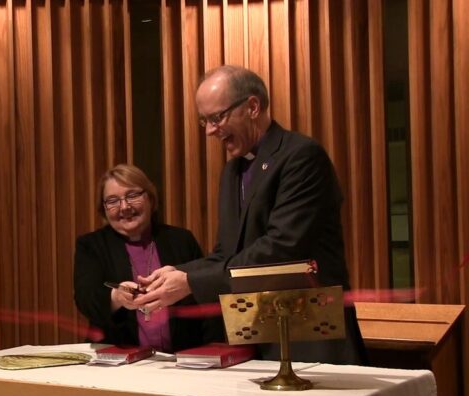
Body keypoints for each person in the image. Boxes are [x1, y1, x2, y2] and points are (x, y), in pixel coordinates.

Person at [135, 65, 366, 365]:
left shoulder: (302, 156)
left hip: (311, 337)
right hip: (256, 335)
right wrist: (171, 276)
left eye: (217, 118)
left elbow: (281, 249)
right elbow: (227, 254)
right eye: (203, 121)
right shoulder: (233, 171)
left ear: (253, 106)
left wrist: (192, 280)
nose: (209, 131)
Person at [74, 164, 222, 353]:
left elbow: (205, 299)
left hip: (181, 361)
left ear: (150, 199)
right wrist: (116, 297)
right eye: (112, 201)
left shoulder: (180, 240)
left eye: (132, 195)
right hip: (120, 361)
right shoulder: (91, 245)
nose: (124, 207)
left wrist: (210, 351)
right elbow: (86, 300)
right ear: (103, 210)